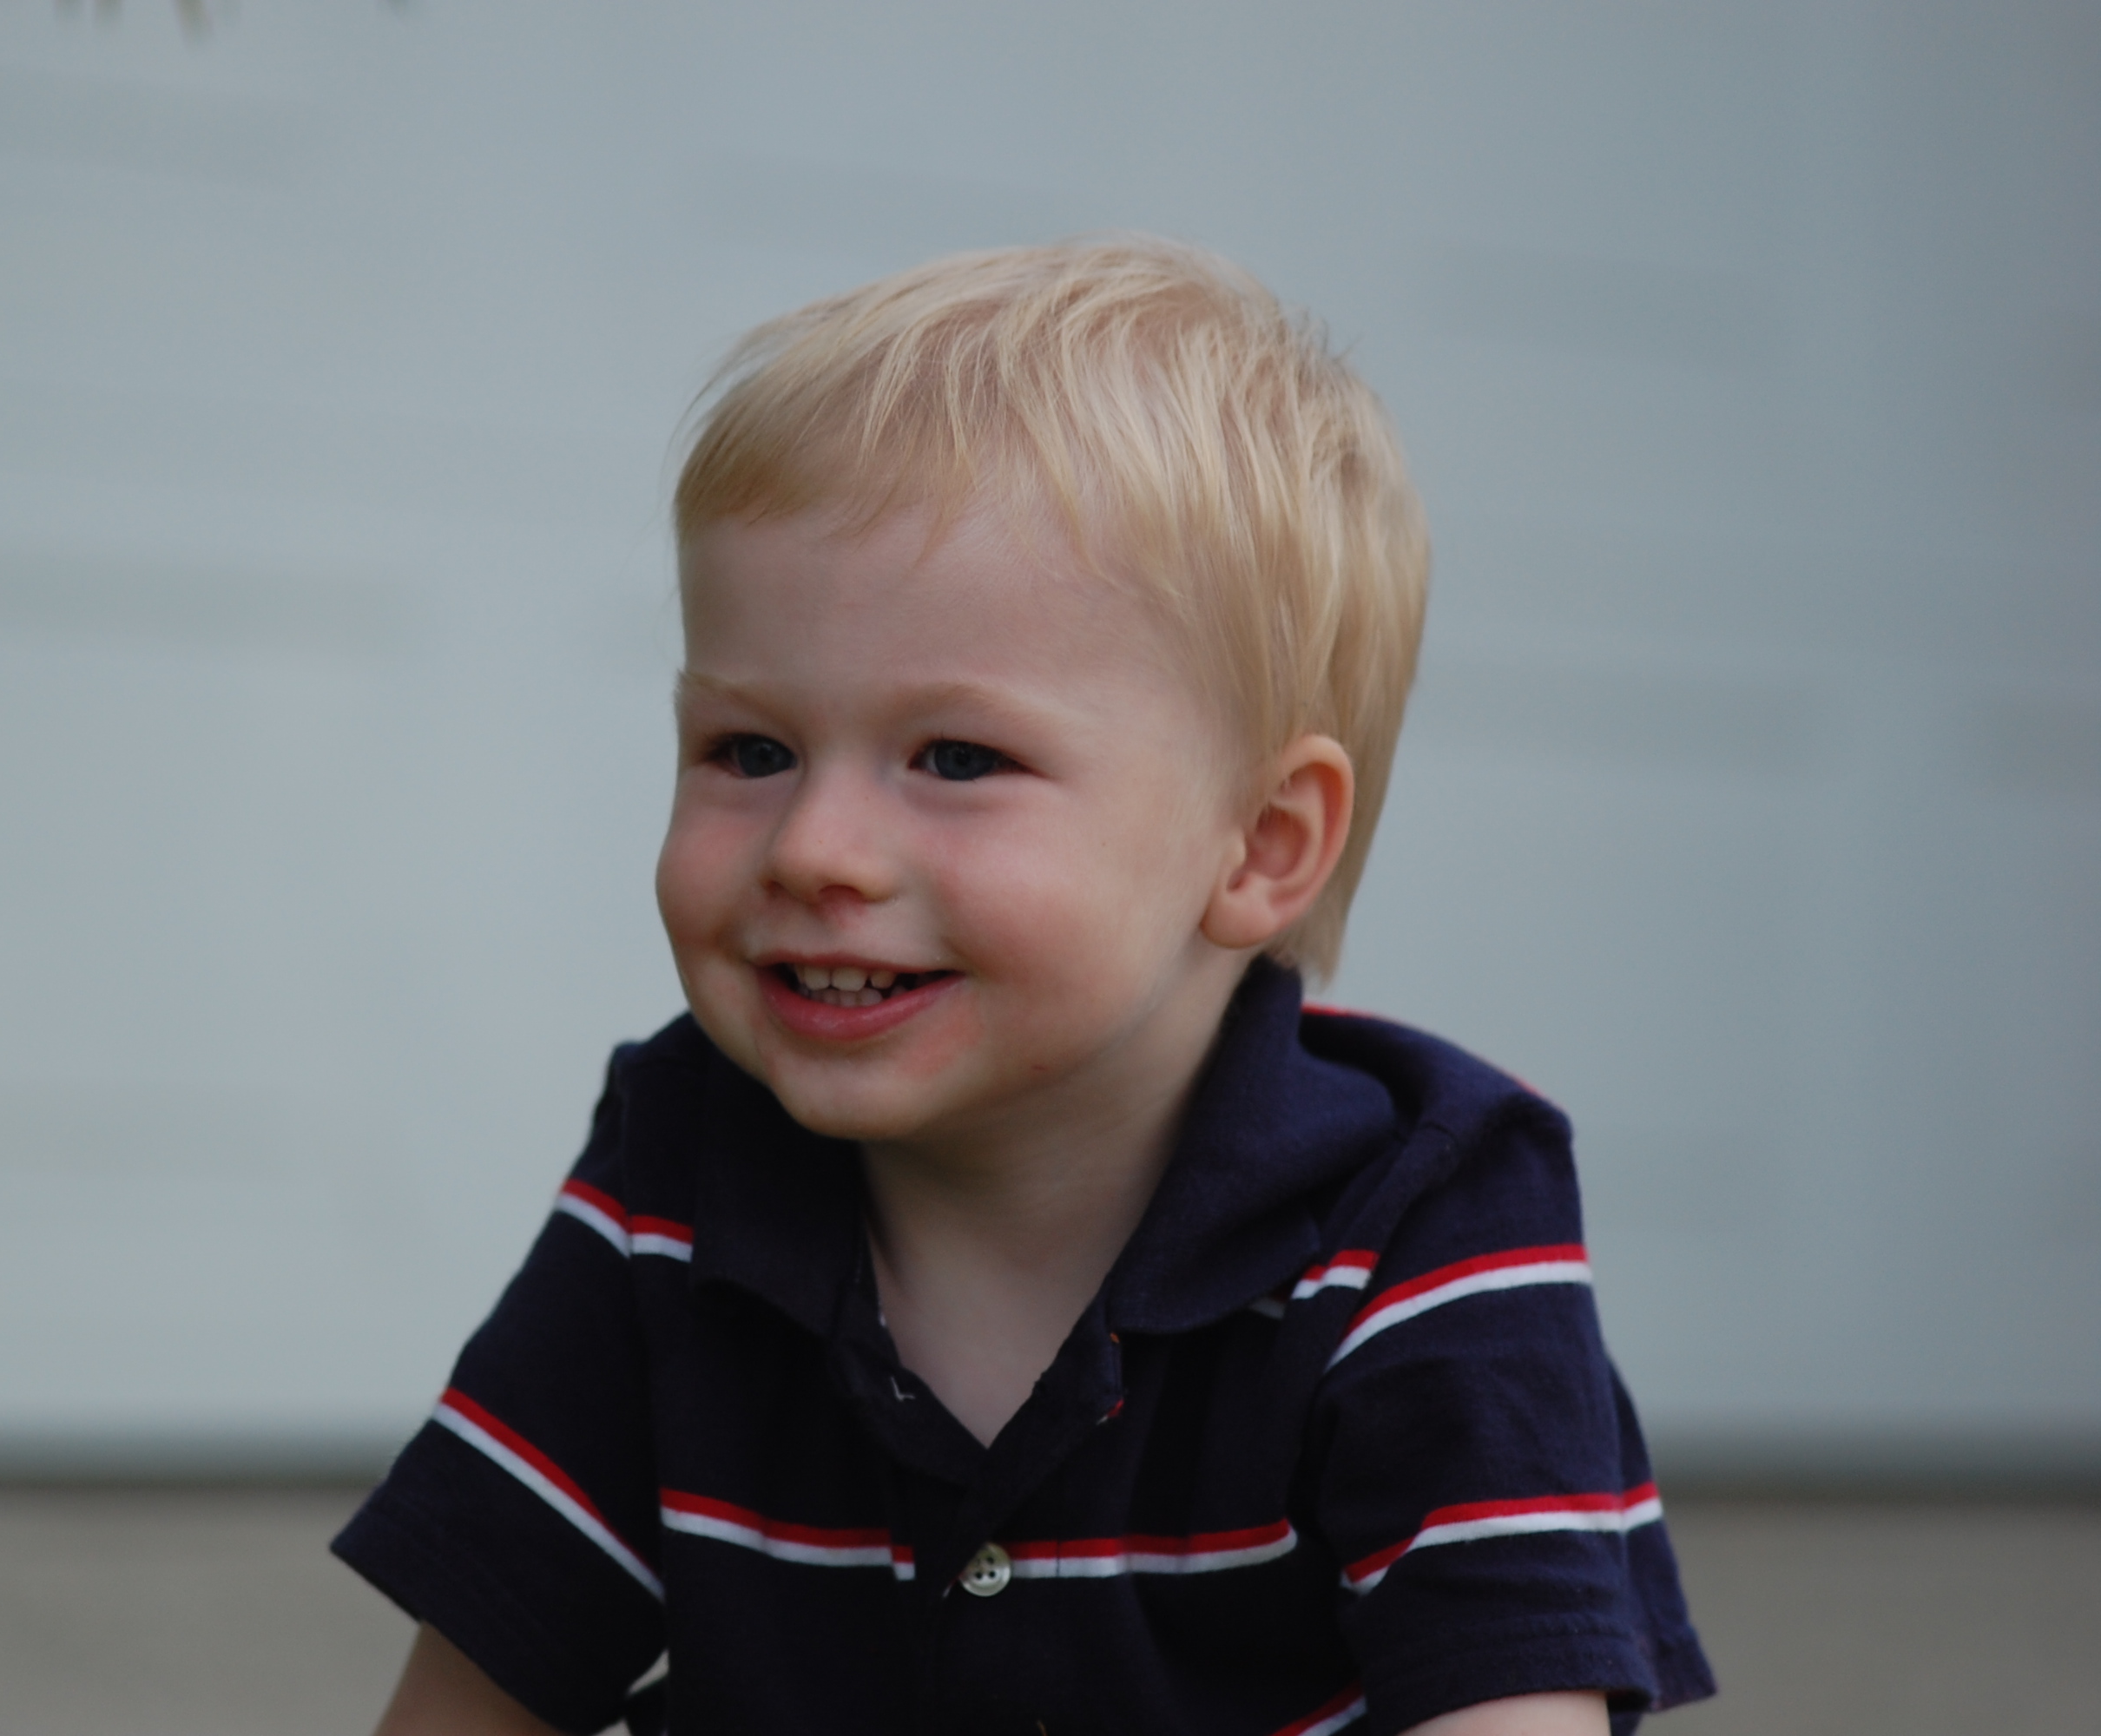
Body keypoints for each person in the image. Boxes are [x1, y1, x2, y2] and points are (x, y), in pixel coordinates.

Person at [334, 237, 1715, 1736]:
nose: (815, 848)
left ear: (1259, 843)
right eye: (752, 750)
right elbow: (469, 1700)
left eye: (956, 758)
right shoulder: (680, 1179)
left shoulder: (1422, 1222)